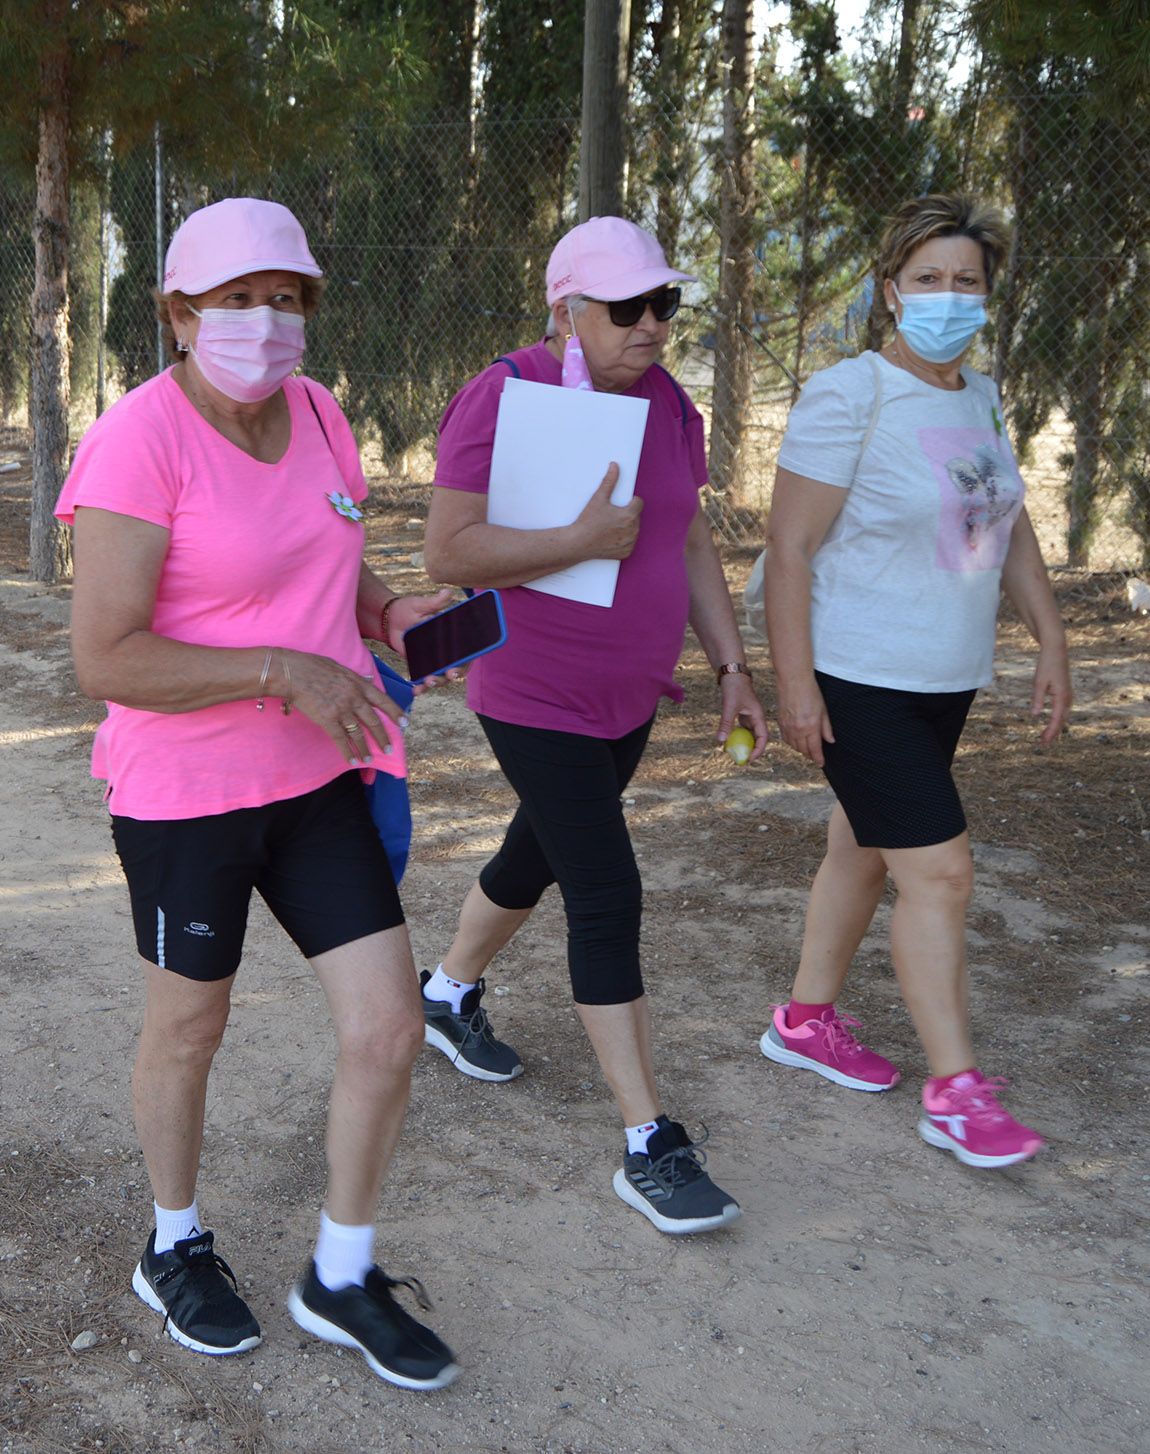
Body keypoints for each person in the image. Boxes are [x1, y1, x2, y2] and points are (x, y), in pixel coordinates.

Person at [62, 198, 461, 1389]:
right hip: (185, 791)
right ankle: (172, 1240)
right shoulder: (140, 439)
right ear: (179, 314)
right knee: (190, 1024)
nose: (265, 321)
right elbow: (106, 657)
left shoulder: (320, 412)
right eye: (236, 299)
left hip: (318, 773)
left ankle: (339, 1272)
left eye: (285, 297)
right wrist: (280, 669)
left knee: (388, 1025)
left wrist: (380, 610)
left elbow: (329, 549)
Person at [419, 216, 771, 1236]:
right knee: (604, 889)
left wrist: (730, 664)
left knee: (534, 852)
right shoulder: (503, 391)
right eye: (626, 308)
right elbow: (447, 552)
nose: (651, 325)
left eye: (664, 304)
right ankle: (647, 1142)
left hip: (629, 694)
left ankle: (446, 992)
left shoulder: (666, 402)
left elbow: (689, 534)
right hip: (532, 688)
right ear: (564, 309)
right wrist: (575, 539)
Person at [761, 194, 1068, 1169]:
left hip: (943, 676)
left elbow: (1005, 525)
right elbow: (787, 545)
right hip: (859, 674)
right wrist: (794, 683)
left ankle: (802, 1020)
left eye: (964, 281)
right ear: (890, 290)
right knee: (937, 867)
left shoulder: (975, 395)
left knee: (860, 850)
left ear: (986, 297)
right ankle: (953, 1090)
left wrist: (1048, 640)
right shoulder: (848, 394)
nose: (945, 295)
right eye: (926, 279)